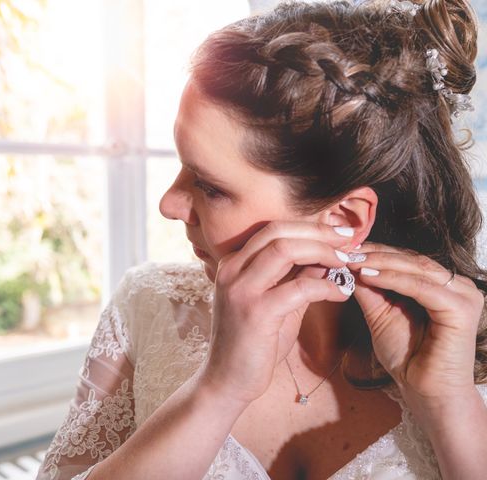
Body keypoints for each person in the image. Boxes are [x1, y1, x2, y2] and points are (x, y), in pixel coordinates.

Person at [36, 0, 487, 478]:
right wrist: (219, 389)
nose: (169, 204)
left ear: (344, 218)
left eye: (210, 187)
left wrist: (448, 405)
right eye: (182, 166)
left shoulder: (458, 350)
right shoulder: (149, 306)